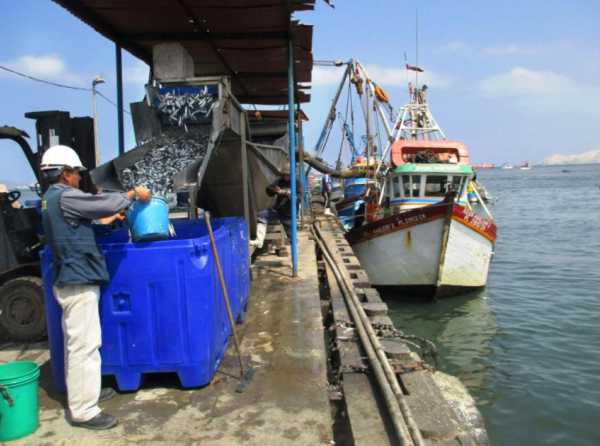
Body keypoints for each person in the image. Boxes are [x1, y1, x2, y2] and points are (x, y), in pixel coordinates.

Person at [40, 145, 151, 430]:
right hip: (77, 282)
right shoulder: (65, 197)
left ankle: (85, 392)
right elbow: (103, 204)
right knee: (84, 347)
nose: (78, 178)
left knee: (80, 344)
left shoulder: (51, 199)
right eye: (76, 173)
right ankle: (84, 410)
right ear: (65, 174)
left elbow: (78, 228)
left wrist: (107, 223)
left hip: (72, 278)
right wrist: (131, 195)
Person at [265, 164, 301, 239]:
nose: (286, 177)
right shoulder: (279, 181)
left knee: (292, 237)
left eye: (288, 175)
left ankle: (292, 241)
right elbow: (268, 190)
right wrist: (275, 190)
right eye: (284, 175)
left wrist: (288, 194)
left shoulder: (296, 183)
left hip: (289, 214)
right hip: (278, 211)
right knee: (260, 216)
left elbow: (299, 197)